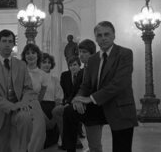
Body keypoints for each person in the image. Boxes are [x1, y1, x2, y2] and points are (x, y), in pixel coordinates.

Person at [73, 21, 138, 152]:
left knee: (122, 149)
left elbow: (119, 83)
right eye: (99, 35)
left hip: (119, 106)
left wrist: (90, 98)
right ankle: (70, 146)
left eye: (106, 34)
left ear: (114, 35)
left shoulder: (125, 54)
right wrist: (78, 98)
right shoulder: (93, 59)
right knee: (68, 112)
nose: (103, 38)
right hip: (97, 108)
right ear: (96, 38)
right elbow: (85, 85)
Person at [0, 29, 34, 152]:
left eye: (10, 41)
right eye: (4, 41)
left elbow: (28, 88)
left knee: (25, 120)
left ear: (13, 45)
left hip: (18, 111)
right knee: (2, 148)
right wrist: (10, 106)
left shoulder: (21, 65)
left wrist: (22, 104)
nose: (7, 44)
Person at [53, 56, 84, 150]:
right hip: (67, 102)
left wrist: (70, 102)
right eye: (70, 65)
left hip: (80, 102)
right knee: (56, 111)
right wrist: (65, 102)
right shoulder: (65, 75)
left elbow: (81, 91)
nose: (72, 67)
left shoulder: (84, 74)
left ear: (79, 65)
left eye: (74, 65)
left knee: (64, 112)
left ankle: (71, 141)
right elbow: (63, 92)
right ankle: (68, 140)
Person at [21, 43, 47, 152]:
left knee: (38, 131)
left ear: (38, 55)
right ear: (24, 56)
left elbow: (42, 92)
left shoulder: (42, 74)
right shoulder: (19, 72)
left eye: (33, 52)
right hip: (21, 104)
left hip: (35, 105)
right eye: (27, 53)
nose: (30, 55)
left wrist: (35, 102)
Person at [40, 52, 64, 148]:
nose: (47, 64)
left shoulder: (55, 79)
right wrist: (43, 116)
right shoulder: (34, 78)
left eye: (49, 62)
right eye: (44, 62)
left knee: (52, 143)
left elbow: (59, 97)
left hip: (53, 109)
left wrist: (54, 119)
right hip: (39, 109)